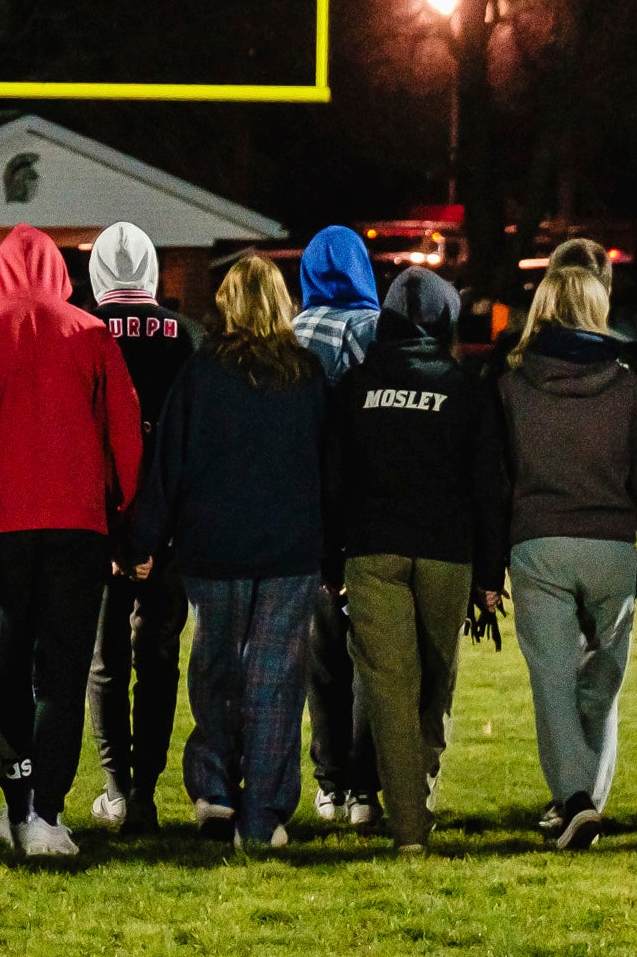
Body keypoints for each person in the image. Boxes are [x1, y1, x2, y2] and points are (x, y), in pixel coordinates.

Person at [0, 222, 143, 858]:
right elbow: (125, 435)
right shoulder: (90, 333)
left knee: (2, 674)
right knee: (60, 674)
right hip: (77, 527)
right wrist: (126, 521)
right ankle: (47, 813)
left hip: (1, 528)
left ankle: (15, 802)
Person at [121, 253, 327, 852]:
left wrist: (143, 540)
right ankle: (261, 813)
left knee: (215, 666)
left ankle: (213, 788)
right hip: (290, 548)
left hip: (213, 548)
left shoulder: (203, 372)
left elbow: (170, 465)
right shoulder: (308, 376)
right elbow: (329, 467)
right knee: (274, 679)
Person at [319, 263, 507, 856]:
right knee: (433, 683)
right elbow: (489, 488)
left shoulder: (354, 387)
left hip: (373, 551)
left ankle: (408, 830)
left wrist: (330, 563)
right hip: (447, 555)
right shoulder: (466, 390)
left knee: (390, 689)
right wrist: (490, 575)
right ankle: (417, 797)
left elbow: (332, 481)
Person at [495, 263, 637, 849]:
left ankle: (576, 798)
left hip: (540, 541)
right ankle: (585, 797)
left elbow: (503, 471)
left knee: (554, 682)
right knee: (600, 682)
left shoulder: (513, 384)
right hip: (611, 543)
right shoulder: (625, 383)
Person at [83, 221, 191, 834]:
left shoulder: (85, 331)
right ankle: (146, 791)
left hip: (104, 526)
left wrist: (120, 536)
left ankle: (118, 789)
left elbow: (86, 438)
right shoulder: (183, 336)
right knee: (158, 658)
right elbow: (187, 440)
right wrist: (160, 531)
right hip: (169, 528)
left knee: (106, 661)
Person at [286, 224, 380, 827]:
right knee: (373, 654)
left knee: (321, 657)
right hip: (373, 511)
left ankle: (329, 783)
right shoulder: (381, 332)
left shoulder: (293, 336)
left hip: (307, 514)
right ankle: (366, 790)